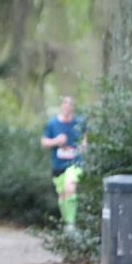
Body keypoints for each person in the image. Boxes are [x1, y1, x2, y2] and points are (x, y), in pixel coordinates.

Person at [40, 96, 86, 229]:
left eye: (70, 105)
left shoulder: (79, 122)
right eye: (65, 105)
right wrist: (56, 141)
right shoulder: (52, 123)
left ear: (72, 108)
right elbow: (44, 142)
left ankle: (71, 223)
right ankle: (67, 223)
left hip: (75, 163)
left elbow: (85, 138)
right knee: (62, 195)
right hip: (58, 164)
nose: (67, 107)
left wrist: (83, 146)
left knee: (70, 187)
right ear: (61, 106)